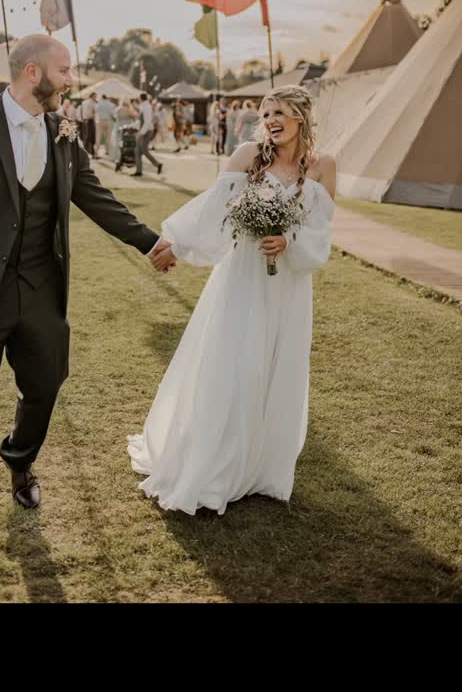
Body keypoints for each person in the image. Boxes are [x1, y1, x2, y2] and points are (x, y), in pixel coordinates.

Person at [0, 34, 175, 575]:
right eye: (65, 70)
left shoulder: (63, 131)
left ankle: (19, 457)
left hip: (40, 287)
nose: (71, 79)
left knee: (48, 382)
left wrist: (149, 241)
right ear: (33, 72)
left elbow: (94, 196)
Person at [129, 86, 336, 515]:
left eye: (279, 112)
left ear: (300, 117)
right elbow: (213, 212)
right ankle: (215, 460)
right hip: (242, 277)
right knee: (234, 360)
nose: (270, 120)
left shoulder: (323, 166)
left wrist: (289, 240)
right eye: (266, 113)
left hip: (288, 286)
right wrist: (176, 244)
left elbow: (320, 230)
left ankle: (259, 465)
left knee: (273, 366)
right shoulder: (247, 155)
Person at [133, 93, 163, 177]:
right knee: (137, 151)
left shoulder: (147, 107)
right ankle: (139, 171)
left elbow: (147, 122)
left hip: (147, 131)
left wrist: (140, 133)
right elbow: (141, 120)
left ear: (140, 98)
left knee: (144, 150)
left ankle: (158, 164)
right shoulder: (144, 106)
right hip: (145, 131)